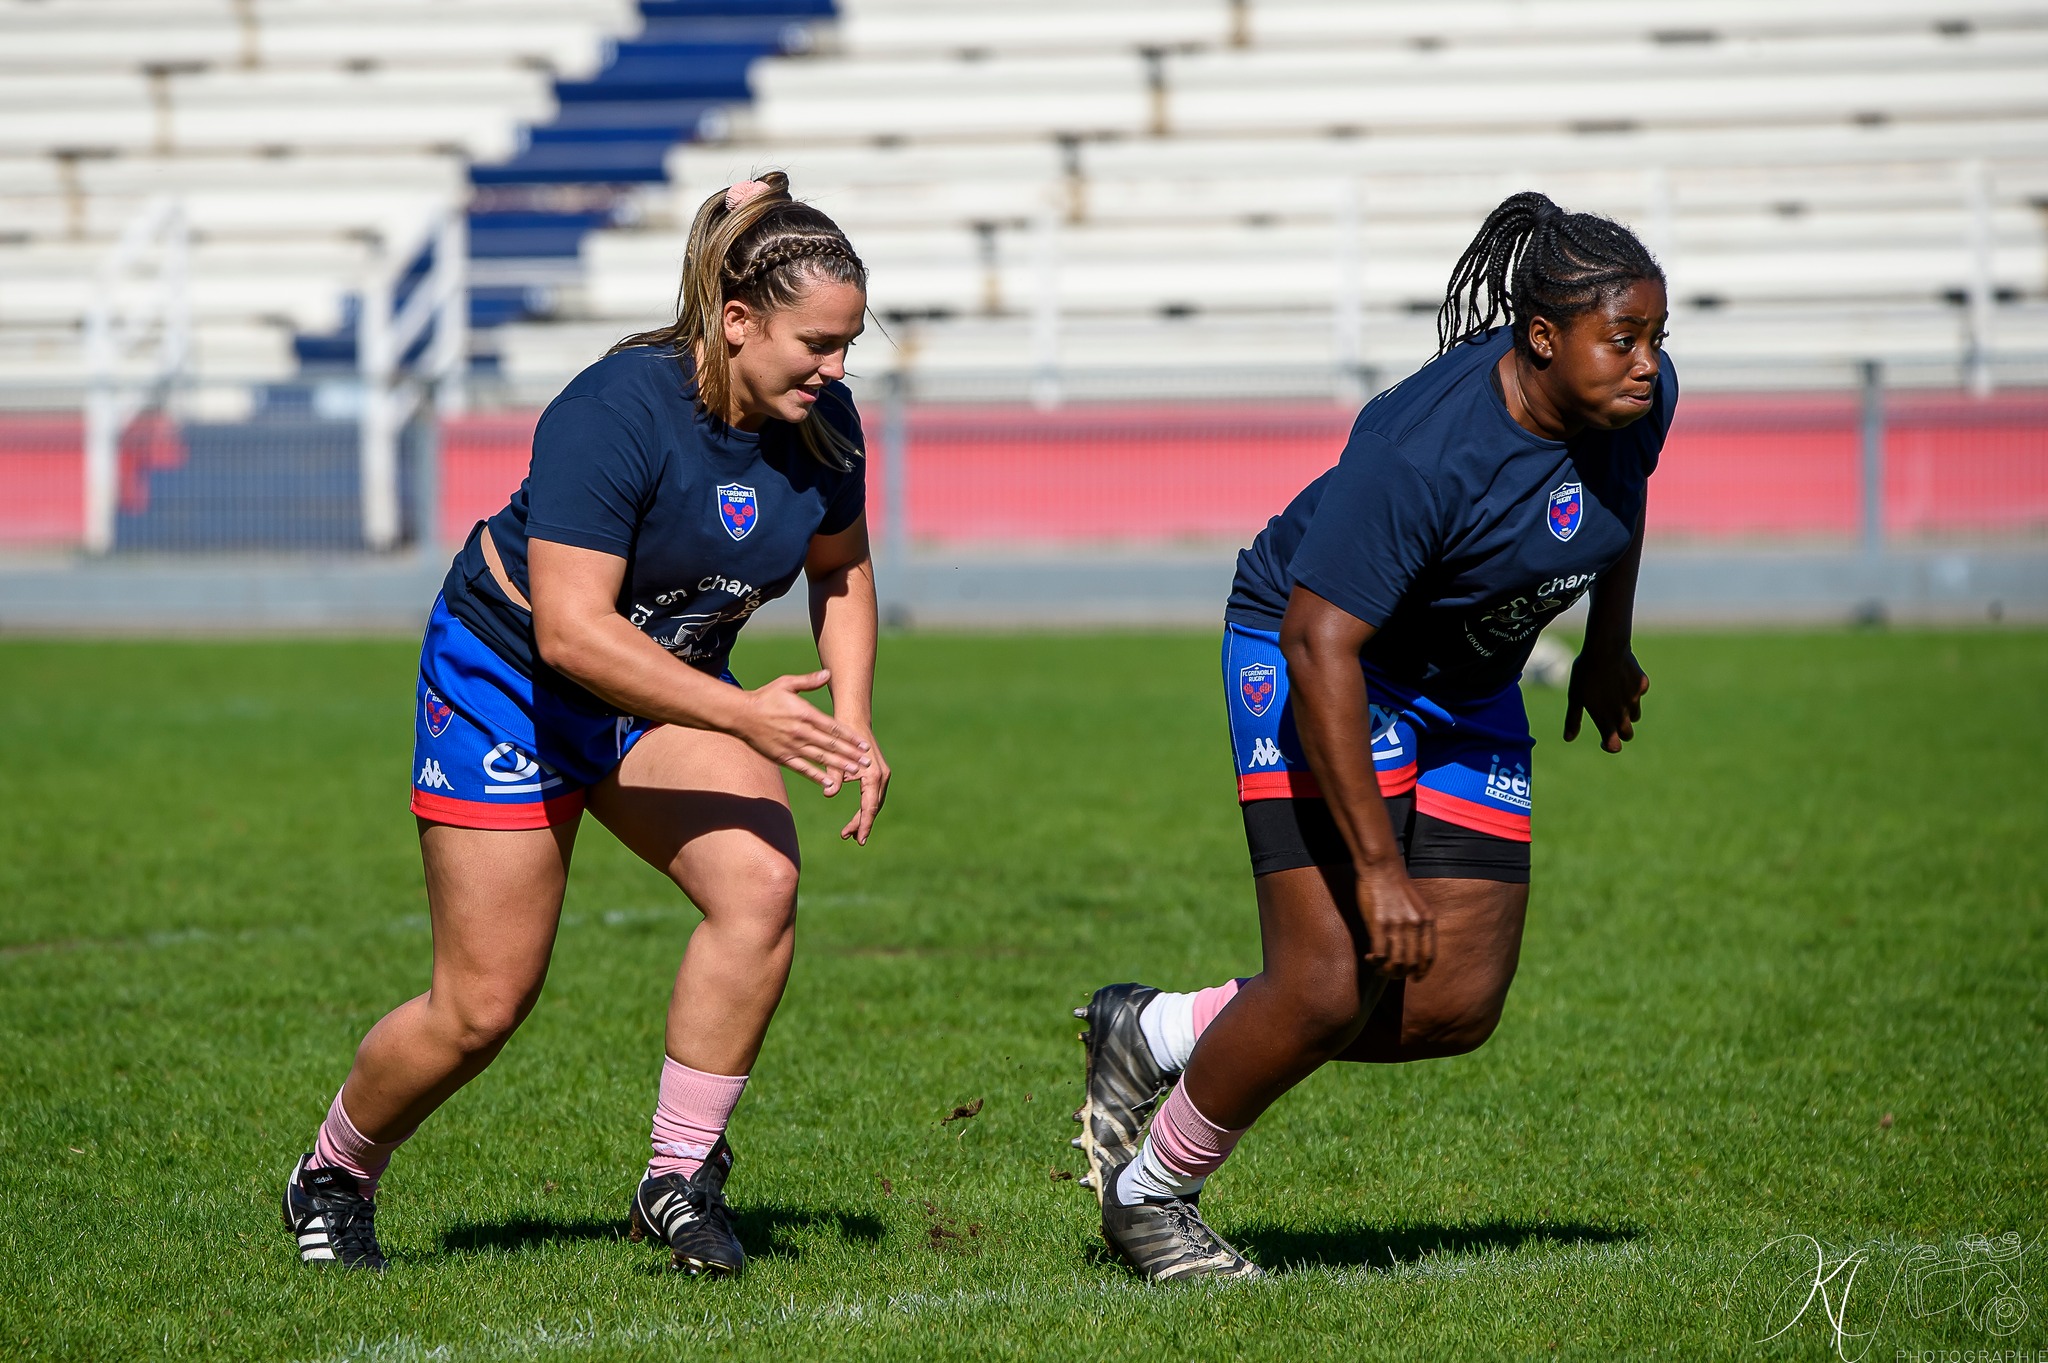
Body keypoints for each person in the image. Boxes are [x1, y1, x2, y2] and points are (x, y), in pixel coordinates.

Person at [282, 172, 889, 1277]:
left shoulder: (824, 425)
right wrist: (749, 717)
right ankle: (335, 1168)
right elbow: (570, 635)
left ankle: (677, 1177)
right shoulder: (613, 411)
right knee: (482, 1004)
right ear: (739, 320)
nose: (836, 368)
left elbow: (840, 572)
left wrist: (849, 720)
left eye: (849, 343)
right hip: (508, 680)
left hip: (661, 688)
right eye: (817, 342)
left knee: (758, 886)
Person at [1072, 191, 1674, 1282]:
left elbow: (1614, 503)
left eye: (1654, 338)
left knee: (1453, 1005)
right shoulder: (1422, 454)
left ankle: (1155, 1029)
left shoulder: (1635, 400)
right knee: (1323, 986)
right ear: (1542, 339)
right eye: (1620, 339)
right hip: (1316, 657)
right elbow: (1316, 643)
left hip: (1470, 682)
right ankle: (1150, 1194)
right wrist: (1377, 866)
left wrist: (1604, 647)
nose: (1646, 363)